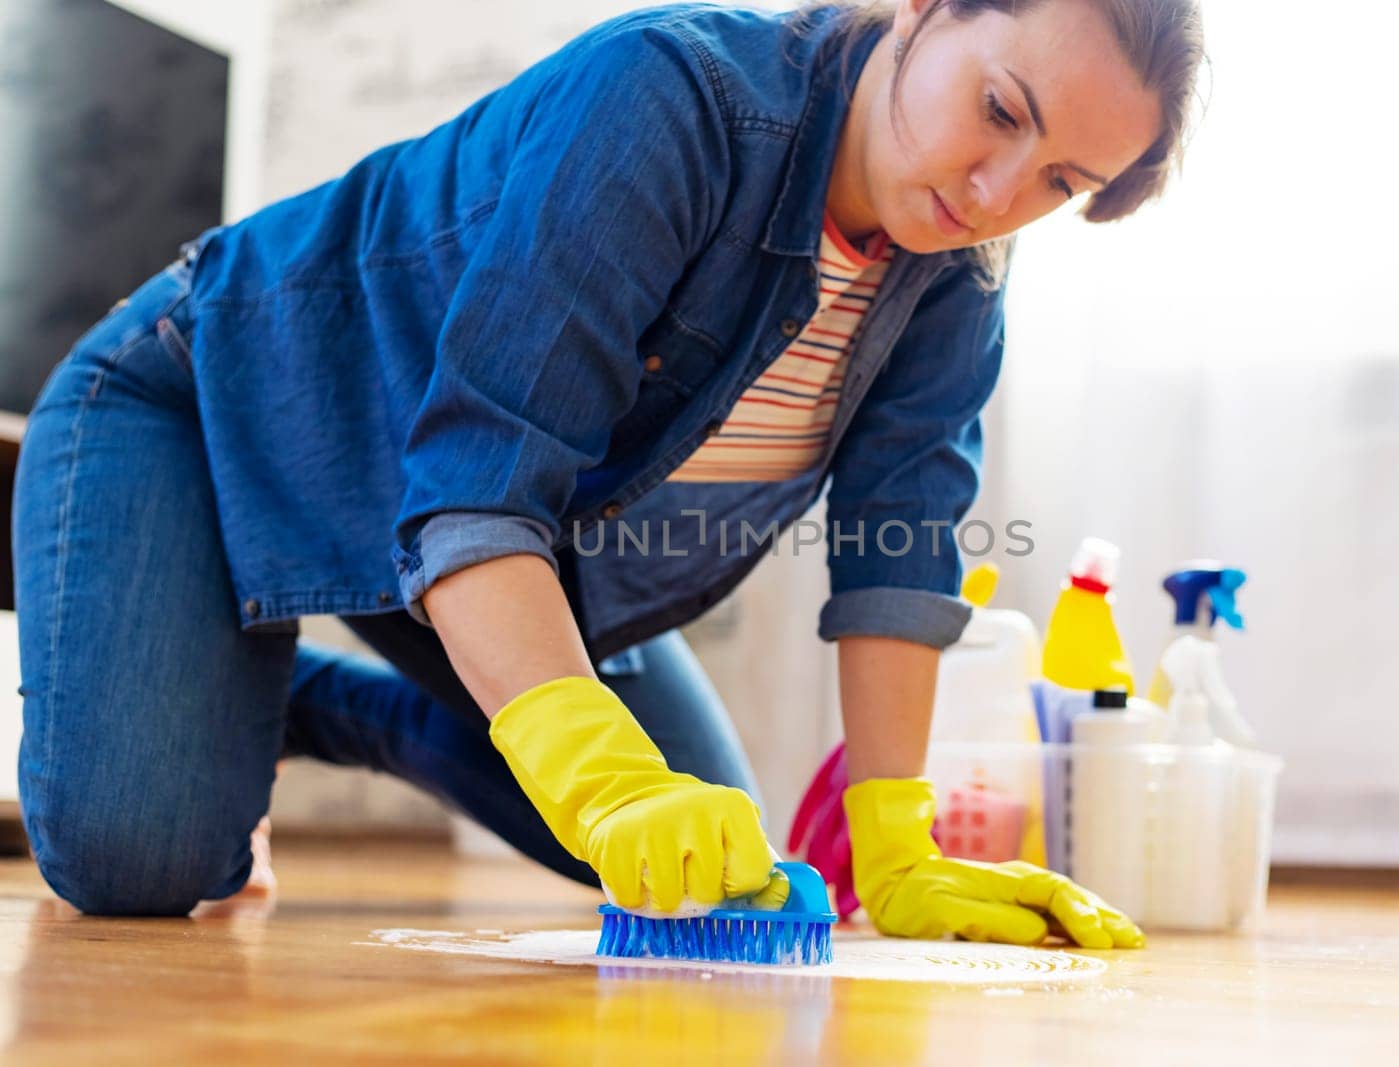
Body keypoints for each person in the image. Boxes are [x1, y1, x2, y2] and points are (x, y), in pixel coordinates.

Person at [12, 0, 1202, 946]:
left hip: (478, 539)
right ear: (923, 6)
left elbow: (901, 543)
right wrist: (599, 774)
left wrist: (898, 838)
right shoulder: (670, 99)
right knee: (143, 864)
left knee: (715, 870)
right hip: (204, 409)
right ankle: (211, 658)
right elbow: (484, 475)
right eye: (999, 108)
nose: (995, 192)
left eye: (1060, 182)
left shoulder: (957, 274)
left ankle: (299, 705)